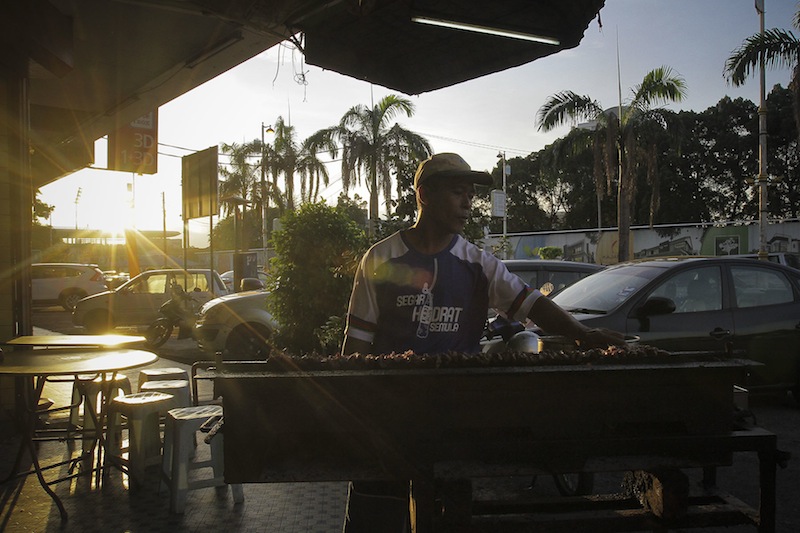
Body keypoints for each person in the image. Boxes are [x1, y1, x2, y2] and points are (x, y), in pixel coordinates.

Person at [340, 152, 624, 532]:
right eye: (459, 193)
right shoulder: (380, 259)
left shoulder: (478, 263)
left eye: (471, 196)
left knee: (448, 515)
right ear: (424, 194)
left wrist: (585, 335)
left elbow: (531, 303)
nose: (467, 205)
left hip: (455, 418)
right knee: (376, 516)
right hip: (390, 418)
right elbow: (355, 347)